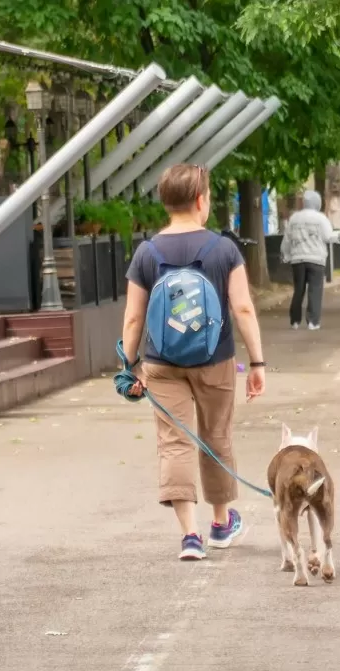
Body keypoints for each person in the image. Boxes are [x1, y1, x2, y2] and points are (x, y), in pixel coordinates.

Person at [120, 164, 267, 561]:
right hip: (214, 359)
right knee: (216, 437)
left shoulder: (147, 253)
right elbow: (242, 308)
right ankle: (221, 524)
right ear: (202, 201)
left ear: (166, 203)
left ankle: (190, 536)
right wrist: (257, 362)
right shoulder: (224, 250)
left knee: (174, 443)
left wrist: (128, 364)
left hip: (161, 362)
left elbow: (134, 317)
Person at [281, 189, 336, 330]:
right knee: (315, 290)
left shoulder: (294, 218)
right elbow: (329, 237)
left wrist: (286, 255)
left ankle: (295, 320)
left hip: (297, 259)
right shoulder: (321, 218)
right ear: (318, 203)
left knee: (298, 289)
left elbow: (287, 240)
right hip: (316, 259)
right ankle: (313, 321)